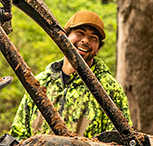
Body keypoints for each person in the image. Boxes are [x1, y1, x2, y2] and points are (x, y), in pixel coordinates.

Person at [10, 10, 130, 138]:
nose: (85, 41)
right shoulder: (40, 83)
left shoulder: (108, 89)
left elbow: (121, 141)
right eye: (80, 33)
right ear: (65, 36)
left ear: (98, 48)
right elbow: (19, 134)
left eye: (93, 38)